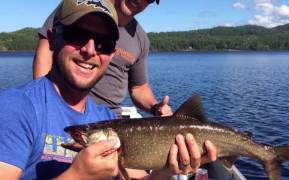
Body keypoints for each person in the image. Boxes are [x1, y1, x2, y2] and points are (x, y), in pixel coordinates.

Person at [0, 0, 217, 179]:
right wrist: (76, 176)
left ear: (112, 54)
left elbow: (139, 86)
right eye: (77, 35)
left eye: (104, 43)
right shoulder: (15, 108)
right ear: (53, 38)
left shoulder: (104, 118)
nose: (90, 50)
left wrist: (166, 171)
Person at [33, 0, 172, 117]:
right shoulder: (80, 7)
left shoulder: (141, 39)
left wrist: (155, 107)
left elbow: (139, 87)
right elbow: (45, 52)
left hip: (111, 118)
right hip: (65, 109)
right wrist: (46, 104)